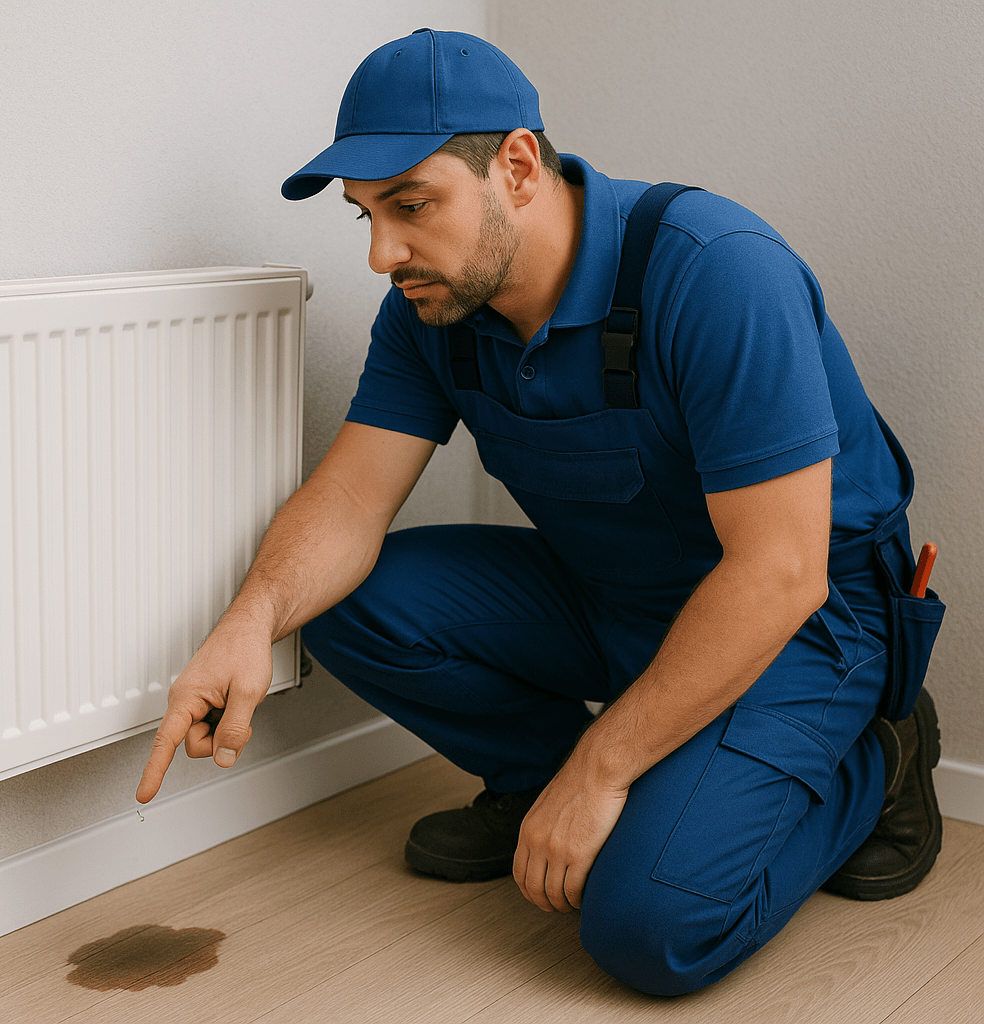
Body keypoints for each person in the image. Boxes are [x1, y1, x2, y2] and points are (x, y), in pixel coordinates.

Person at [136, 29, 945, 995]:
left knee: (647, 928)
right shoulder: (433, 308)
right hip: (613, 595)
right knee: (339, 599)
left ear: (518, 166)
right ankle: (539, 788)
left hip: (804, 626)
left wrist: (603, 770)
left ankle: (879, 757)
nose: (382, 254)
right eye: (365, 216)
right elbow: (350, 497)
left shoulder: (716, 270)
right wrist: (250, 620)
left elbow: (780, 572)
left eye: (411, 206)